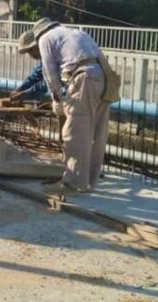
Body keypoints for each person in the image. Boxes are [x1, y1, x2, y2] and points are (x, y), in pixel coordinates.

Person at [17, 18, 110, 194]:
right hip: (105, 78)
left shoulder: (45, 39)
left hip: (85, 79)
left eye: (30, 52)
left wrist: (59, 100)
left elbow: (49, 76)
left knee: (73, 133)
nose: (31, 55)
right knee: (97, 133)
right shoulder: (73, 33)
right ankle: (90, 181)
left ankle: (73, 183)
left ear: (36, 39)